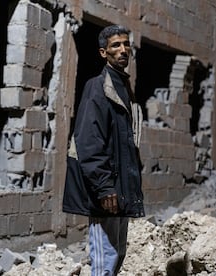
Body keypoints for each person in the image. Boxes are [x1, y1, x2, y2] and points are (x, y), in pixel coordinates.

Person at [63, 24, 145, 275]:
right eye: (115, 46)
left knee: (118, 251)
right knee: (105, 256)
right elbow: (89, 141)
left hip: (120, 187)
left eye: (126, 44)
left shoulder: (123, 86)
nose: (123, 50)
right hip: (106, 189)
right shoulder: (97, 87)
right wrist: (104, 186)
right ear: (103, 53)